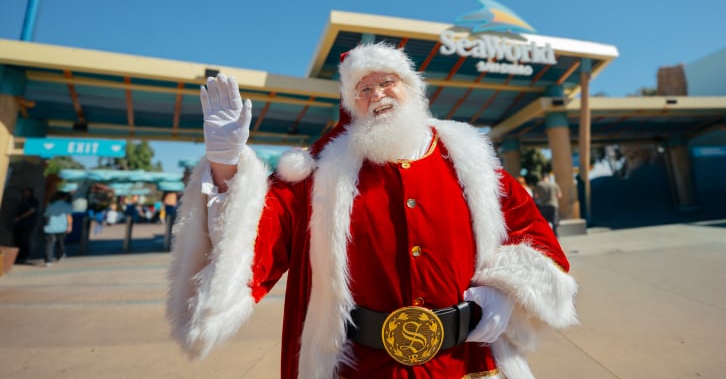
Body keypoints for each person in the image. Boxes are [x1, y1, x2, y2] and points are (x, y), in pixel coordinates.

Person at [167, 43, 578, 378]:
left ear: (411, 88)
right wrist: (226, 165)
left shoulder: (469, 159)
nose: (377, 94)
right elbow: (260, 231)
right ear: (352, 105)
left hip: (465, 364)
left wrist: (504, 293)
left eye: (387, 82)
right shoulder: (320, 172)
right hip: (363, 368)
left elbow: (534, 234)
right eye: (363, 90)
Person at [42, 191, 73, 267]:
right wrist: (69, 226)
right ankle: (60, 255)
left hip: (50, 226)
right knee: (60, 242)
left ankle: (48, 261)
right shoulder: (67, 205)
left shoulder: (50, 205)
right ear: (65, 197)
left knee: (49, 243)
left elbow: (46, 215)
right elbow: (68, 216)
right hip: (62, 227)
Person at [12, 187, 39, 264]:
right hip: (19, 224)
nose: (25, 193)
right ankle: (18, 255)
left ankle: (24, 255)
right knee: (17, 239)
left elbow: (31, 211)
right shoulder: (22, 200)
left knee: (24, 239)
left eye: (26, 192)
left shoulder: (33, 201)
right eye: (24, 192)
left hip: (27, 223)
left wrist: (20, 217)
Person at [535, 173, 563, 237]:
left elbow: (536, 196)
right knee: (554, 221)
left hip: (544, 205)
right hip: (553, 204)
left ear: (542, 178)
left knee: (545, 222)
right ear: (548, 177)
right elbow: (559, 196)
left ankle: (547, 235)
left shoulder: (539, 185)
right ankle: (555, 234)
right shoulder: (554, 184)